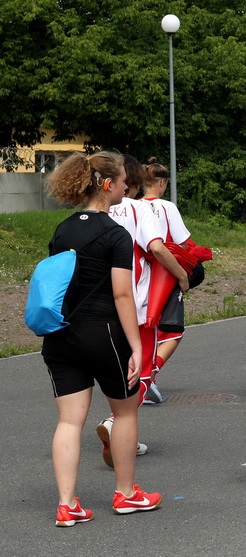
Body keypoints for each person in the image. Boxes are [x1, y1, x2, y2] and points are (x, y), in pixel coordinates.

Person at [42, 151, 162, 526]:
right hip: (104, 332)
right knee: (124, 412)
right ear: (108, 185)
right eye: (125, 180)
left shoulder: (62, 229)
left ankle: (66, 504)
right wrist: (138, 346)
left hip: (61, 334)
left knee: (69, 421)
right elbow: (123, 295)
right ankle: (126, 494)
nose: (128, 185)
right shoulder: (115, 233)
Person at [96, 155, 188, 468]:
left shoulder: (95, 210)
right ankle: (114, 422)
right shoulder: (139, 208)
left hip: (100, 301)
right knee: (141, 369)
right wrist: (182, 274)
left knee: (117, 366)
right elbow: (157, 247)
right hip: (134, 299)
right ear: (134, 183)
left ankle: (128, 437)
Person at [141, 158, 194, 401]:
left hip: (140, 272)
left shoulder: (132, 205)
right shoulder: (167, 207)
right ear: (162, 183)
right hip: (165, 273)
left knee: (145, 326)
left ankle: (141, 371)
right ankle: (150, 373)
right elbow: (182, 243)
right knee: (173, 330)